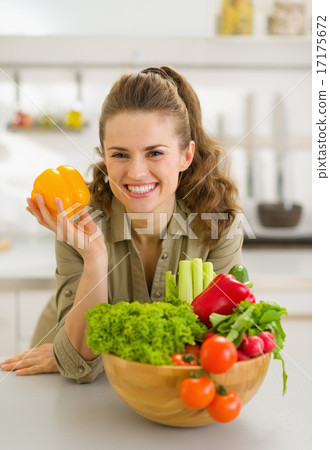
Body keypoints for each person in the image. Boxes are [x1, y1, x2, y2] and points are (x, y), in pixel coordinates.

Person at [0, 66, 243, 382]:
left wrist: (95, 350)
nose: (137, 172)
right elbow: (78, 360)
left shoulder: (219, 225)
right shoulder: (78, 219)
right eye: (120, 155)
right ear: (104, 155)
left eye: (154, 152)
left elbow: (219, 346)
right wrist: (95, 258)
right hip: (60, 384)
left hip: (164, 389)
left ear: (186, 155)